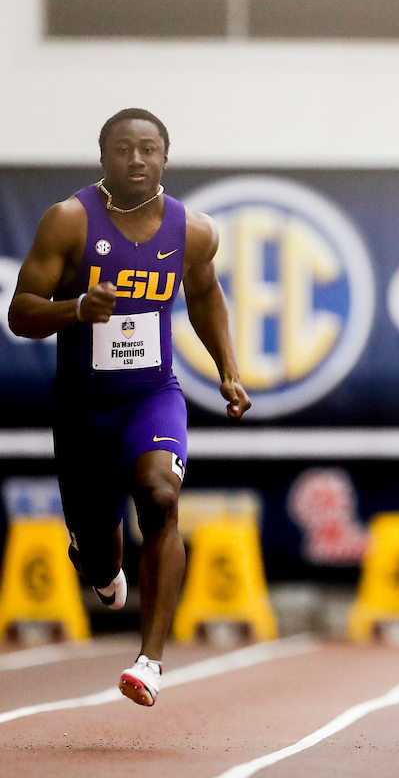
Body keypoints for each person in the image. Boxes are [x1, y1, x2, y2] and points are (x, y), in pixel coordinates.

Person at [7, 108, 249, 706]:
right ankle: (94, 556)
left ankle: (151, 660)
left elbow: (205, 293)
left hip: (151, 395)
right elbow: (20, 312)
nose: (136, 160)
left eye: (148, 149)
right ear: (103, 157)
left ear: (165, 157)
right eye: (123, 149)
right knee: (98, 553)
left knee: (161, 494)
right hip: (82, 407)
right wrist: (75, 311)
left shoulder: (193, 231)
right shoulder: (68, 221)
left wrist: (229, 372)